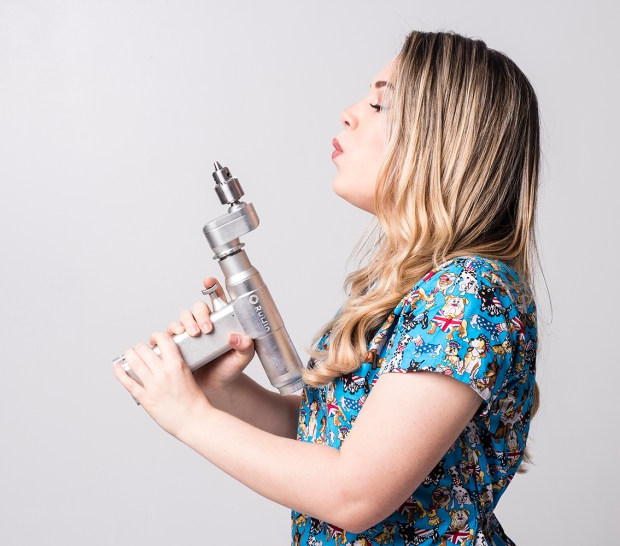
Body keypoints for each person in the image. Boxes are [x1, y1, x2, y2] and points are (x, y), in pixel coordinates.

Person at [111, 30, 541, 546]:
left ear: (443, 142)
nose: (349, 113)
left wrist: (190, 417)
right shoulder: (417, 289)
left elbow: (355, 493)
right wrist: (225, 390)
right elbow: (328, 444)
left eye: (381, 104)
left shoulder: (468, 295)